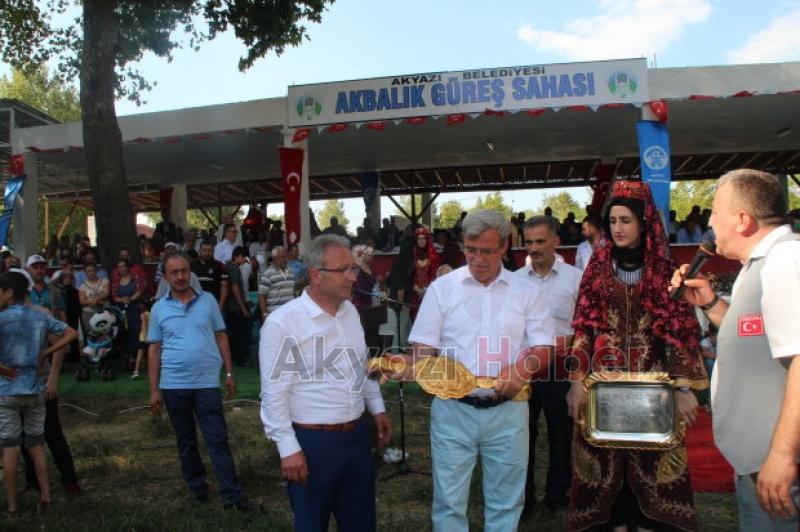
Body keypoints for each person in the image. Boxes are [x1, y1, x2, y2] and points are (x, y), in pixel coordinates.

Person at [391, 209, 555, 531]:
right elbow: (423, 347)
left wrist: (524, 367)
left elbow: (545, 347)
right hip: (453, 410)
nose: (478, 259)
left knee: (506, 504)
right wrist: (411, 364)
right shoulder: (442, 289)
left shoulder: (527, 292)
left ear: (505, 247)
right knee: (449, 504)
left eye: (487, 251)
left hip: (509, 411)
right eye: (471, 249)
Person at [566, 180, 707, 531]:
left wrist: (684, 389)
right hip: (604, 388)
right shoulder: (596, 270)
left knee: (651, 468)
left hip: (654, 389)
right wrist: (575, 382)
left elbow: (678, 332)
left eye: (626, 220)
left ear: (644, 223)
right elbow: (583, 328)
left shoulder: (663, 271)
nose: (618, 229)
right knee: (605, 468)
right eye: (612, 221)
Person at [670, 169, 800, 530]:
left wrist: (782, 455)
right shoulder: (759, 265)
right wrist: (709, 303)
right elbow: (755, 337)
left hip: (779, 469)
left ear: (742, 220)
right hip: (759, 465)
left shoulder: (786, 262)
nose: (709, 221)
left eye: (714, 211)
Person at [259, 234, 392, 531]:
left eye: (353, 268)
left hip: (357, 437)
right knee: (311, 523)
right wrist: (287, 448)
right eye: (344, 270)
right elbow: (274, 393)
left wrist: (378, 409)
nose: (353, 276)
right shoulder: (283, 323)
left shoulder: (350, 313)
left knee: (360, 522)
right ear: (316, 275)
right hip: (312, 443)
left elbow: (361, 366)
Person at [147, 253, 255, 510]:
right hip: (173, 385)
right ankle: (197, 489)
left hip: (207, 383)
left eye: (184, 271)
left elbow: (221, 337)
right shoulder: (158, 308)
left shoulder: (207, 302)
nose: (181, 277)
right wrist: (153, 390)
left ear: (190, 272)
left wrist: (229, 374)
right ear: (166, 276)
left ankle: (231, 494)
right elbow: (154, 349)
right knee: (185, 441)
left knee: (217, 439)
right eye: (174, 272)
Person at [516, 216, 583, 516]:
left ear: (556, 240)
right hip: (524, 369)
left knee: (560, 435)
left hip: (561, 367)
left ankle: (558, 496)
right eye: (529, 242)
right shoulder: (514, 280)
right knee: (521, 437)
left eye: (540, 241)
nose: (534, 248)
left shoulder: (575, 278)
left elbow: (583, 329)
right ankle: (524, 499)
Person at [0, 271, 79, 513]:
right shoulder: (39, 316)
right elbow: (72, 333)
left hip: (7, 391)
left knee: (10, 448)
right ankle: (46, 497)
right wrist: (46, 352)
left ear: (9, 293)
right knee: (37, 445)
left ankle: (12, 505)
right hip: (35, 388)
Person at [111, 259, 146, 369]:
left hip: (135, 310)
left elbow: (140, 291)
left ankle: (138, 359)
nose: (122, 268)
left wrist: (130, 299)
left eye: (124, 266)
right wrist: (122, 300)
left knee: (136, 333)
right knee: (123, 334)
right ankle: (126, 359)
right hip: (121, 312)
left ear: (128, 267)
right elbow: (114, 297)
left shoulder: (135, 279)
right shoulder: (116, 283)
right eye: (119, 267)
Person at [351, 244, 383, 356]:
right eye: (370, 255)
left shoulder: (368, 269)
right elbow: (359, 288)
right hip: (362, 309)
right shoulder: (358, 270)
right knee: (368, 338)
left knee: (374, 337)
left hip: (372, 308)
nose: (372, 257)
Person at [224, 246, 252, 366]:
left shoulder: (227, 267)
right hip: (236, 307)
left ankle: (235, 357)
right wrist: (243, 307)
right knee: (241, 334)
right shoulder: (235, 269)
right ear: (238, 257)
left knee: (233, 333)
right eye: (243, 257)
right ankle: (240, 358)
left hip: (229, 306)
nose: (245, 260)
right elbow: (235, 289)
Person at [257, 246, 295, 320]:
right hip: (275, 314)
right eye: (282, 257)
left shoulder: (291, 271)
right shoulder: (268, 274)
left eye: (286, 256)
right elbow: (262, 295)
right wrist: (264, 314)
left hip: (290, 313)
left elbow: (292, 290)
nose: (285, 259)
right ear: (275, 258)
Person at [410, 227, 438, 321]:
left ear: (427, 240)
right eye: (419, 239)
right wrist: (417, 289)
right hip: (415, 294)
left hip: (429, 293)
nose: (421, 241)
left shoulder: (432, 256)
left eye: (423, 239)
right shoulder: (412, 255)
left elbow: (435, 275)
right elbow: (409, 276)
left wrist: (426, 290)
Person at [192, 240, 229, 308]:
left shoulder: (220, 266)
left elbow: (224, 287)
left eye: (209, 250)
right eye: (204, 250)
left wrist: (220, 306)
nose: (207, 253)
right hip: (195, 305)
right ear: (200, 250)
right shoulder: (192, 265)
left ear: (213, 251)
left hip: (214, 305)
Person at [78, 263, 110, 334]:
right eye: (88, 271)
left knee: (106, 334)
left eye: (92, 270)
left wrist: (96, 300)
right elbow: (82, 301)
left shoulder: (104, 281)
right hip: (88, 313)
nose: (91, 273)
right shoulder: (82, 285)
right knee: (92, 335)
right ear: (85, 272)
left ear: (96, 271)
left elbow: (106, 293)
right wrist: (95, 301)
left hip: (104, 312)